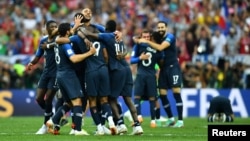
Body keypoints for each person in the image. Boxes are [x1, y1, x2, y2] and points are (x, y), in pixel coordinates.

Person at [56, 10, 117, 135]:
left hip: (88, 71)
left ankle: (99, 128)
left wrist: (76, 29)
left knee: (91, 101)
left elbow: (60, 40)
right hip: (102, 69)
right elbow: (106, 54)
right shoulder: (101, 35)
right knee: (104, 99)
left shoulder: (78, 38)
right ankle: (112, 122)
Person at [81, 19, 143, 135]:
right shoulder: (117, 37)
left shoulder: (106, 36)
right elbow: (124, 53)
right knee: (128, 99)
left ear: (106, 28)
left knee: (111, 98)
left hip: (116, 69)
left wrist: (83, 28)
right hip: (126, 68)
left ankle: (121, 124)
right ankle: (137, 126)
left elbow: (90, 34)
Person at [46, 22, 96, 135]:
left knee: (69, 103)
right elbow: (73, 58)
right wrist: (90, 53)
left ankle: (52, 120)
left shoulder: (58, 40)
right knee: (78, 101)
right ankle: (77, 130)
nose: (72, 31)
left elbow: (65, 34)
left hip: (60, 75)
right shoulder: (66, 44)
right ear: (67, 32)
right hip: (68, 75)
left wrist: (74, 26)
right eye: (70, 29)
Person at [136, 21, 184, 128]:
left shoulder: (170, 37)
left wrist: (146, 42)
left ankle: (180, 120)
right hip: (163, 69)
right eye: (159, 27)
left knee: (176, 92)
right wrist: (140, 40)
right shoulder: (157, 38)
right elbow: (140, 37)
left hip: (173, 68)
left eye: (162, 27)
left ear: (166, 27)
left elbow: (161, 48)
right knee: (162, 95)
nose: (160, 29)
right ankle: (171, 119)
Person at [27, 20, 58, 134]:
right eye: (52, 27)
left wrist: (49, 46)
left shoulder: (59, 39)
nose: (55, 28)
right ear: (47, 29)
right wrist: (31, 63)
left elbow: (66, 40)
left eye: (56, 26)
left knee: (49, 98)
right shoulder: (43, 40)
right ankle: (53, 115)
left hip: (57, 73)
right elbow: (38, 55)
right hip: (46, 72)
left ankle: (45, 125)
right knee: (39, 98)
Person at [130, 30, 164, 128]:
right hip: (142, 75)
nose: (146, 38)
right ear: (141, 37)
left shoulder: (145, 46)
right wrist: (140, 58)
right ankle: (140, 117)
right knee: (138, 98)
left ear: (150, 37)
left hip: (150, 76)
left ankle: (152, 121)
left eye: (147, 37)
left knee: (151, 99)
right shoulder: (140, 46)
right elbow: (132, 61)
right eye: (144, 37)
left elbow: (161, 57)